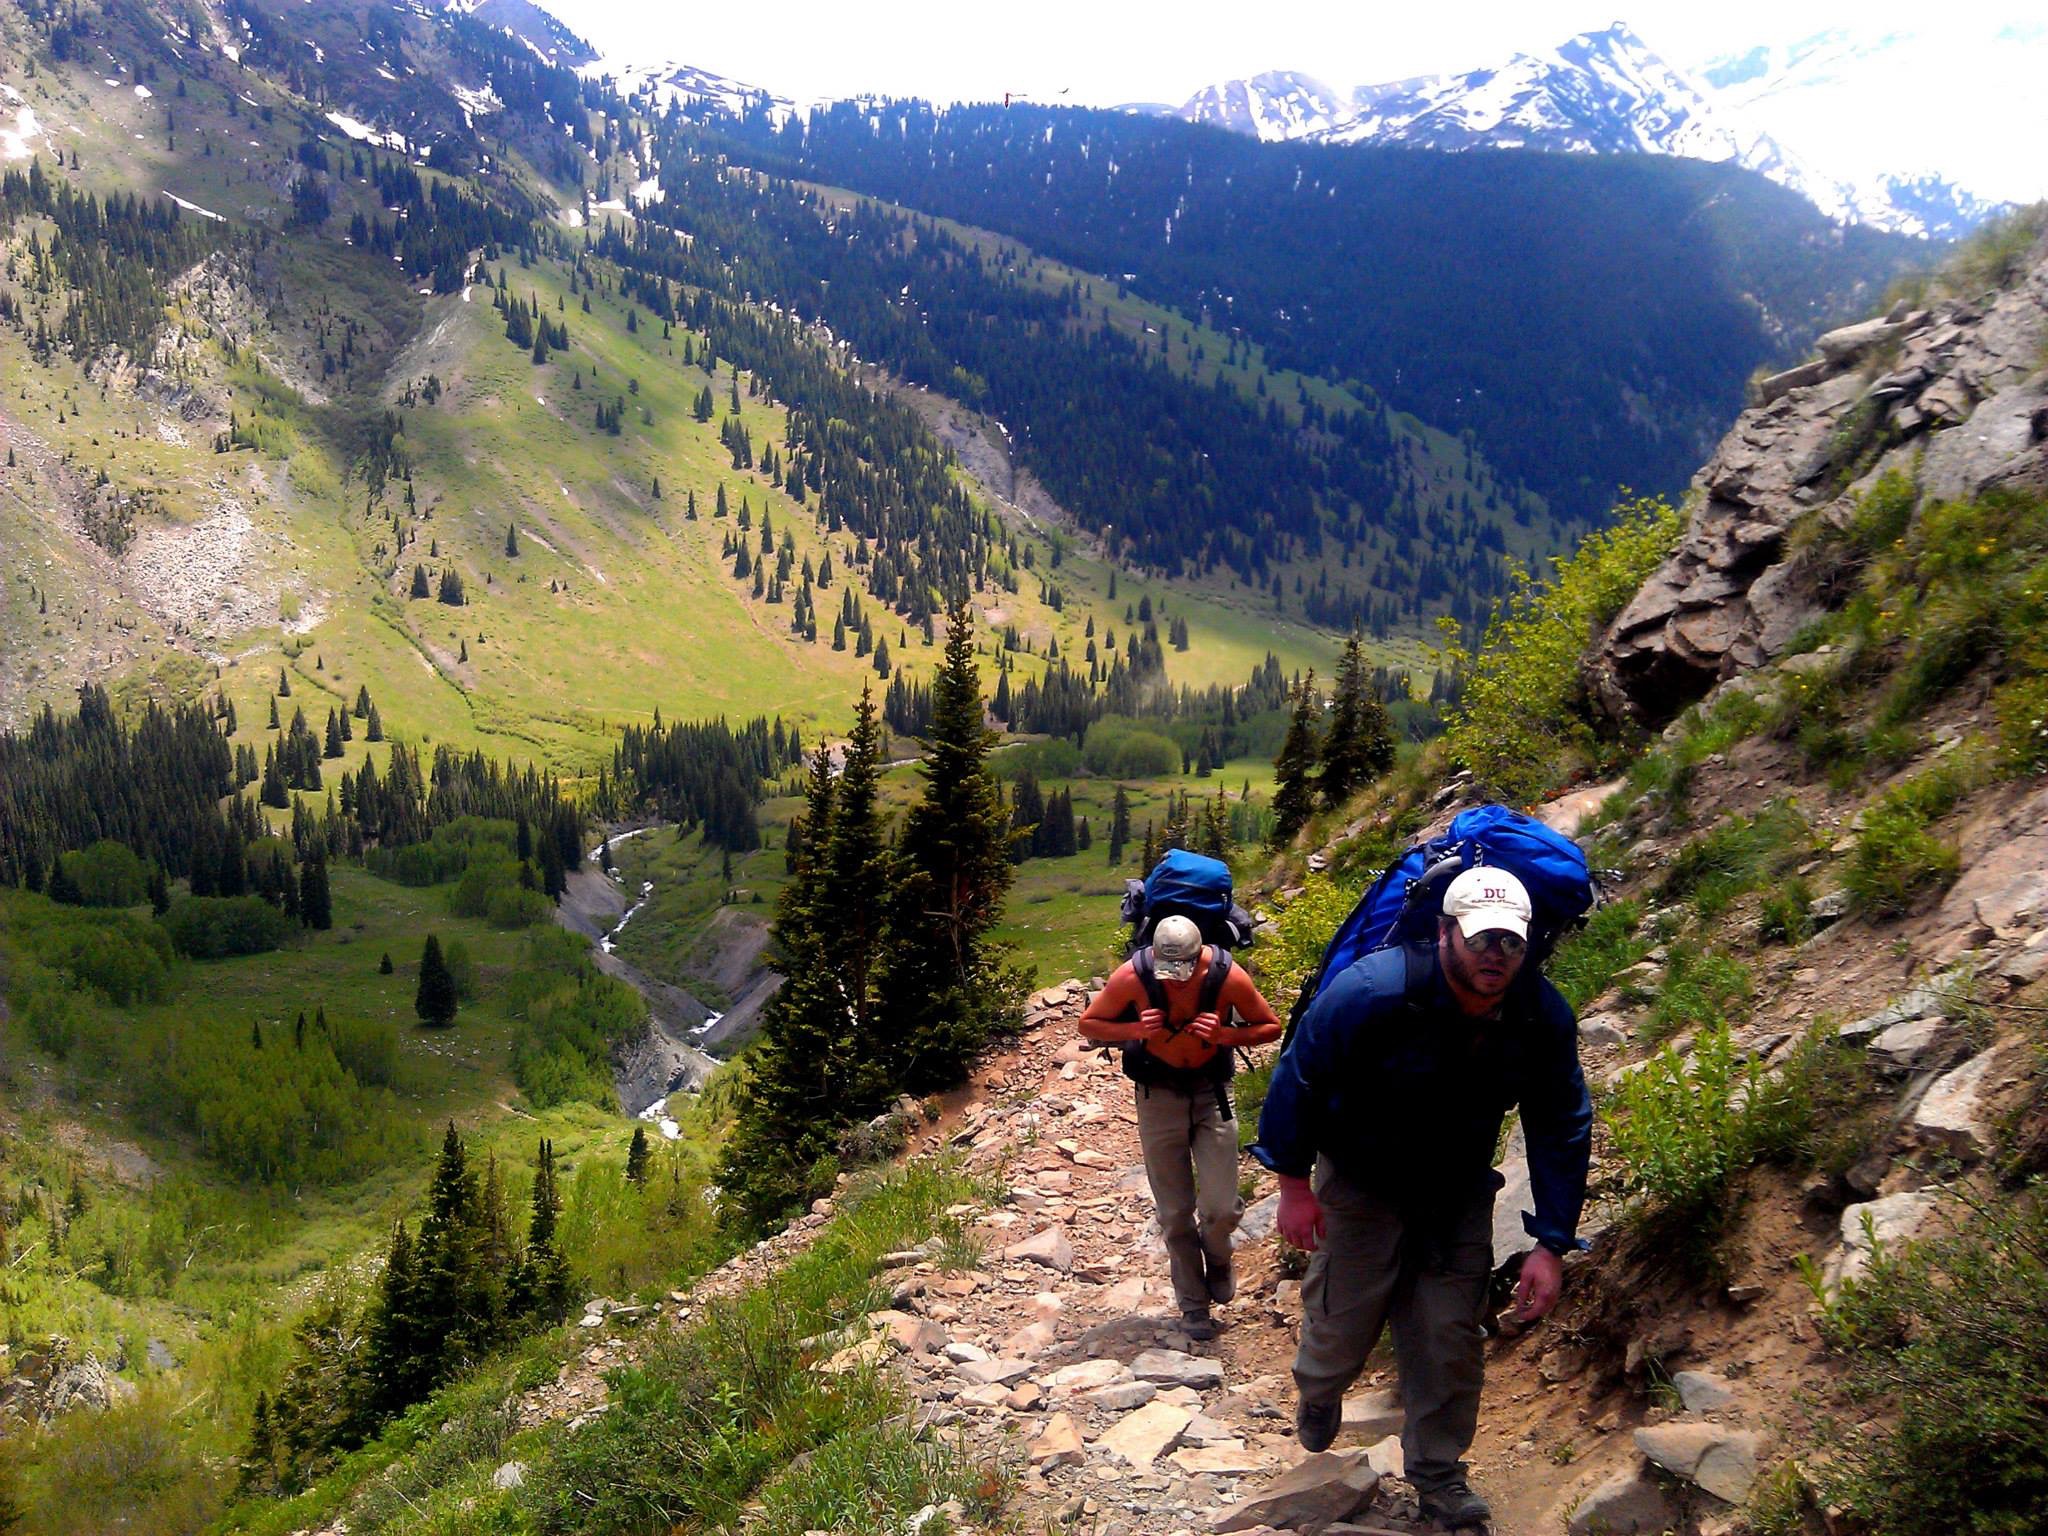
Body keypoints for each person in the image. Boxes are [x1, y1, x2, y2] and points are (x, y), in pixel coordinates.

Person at [1251, 866, 1591, 1531]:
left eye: (1512, 944)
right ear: (1445, 932)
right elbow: (1299, 1080)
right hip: (1359, 1179)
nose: (1498, 957)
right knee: (1343, 1322)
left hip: (1455, 1191)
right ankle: (1320, 1390)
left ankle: (1438, 1478)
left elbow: (1560, 1124)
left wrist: (1551, 1242)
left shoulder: (1536, 1016)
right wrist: (1292, 1185)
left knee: (1446, 1335)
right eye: (1483, 940)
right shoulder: (1369, 994)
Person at [1079, 914, 1283, 1339]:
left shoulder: (1227, 975)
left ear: (1198, 956)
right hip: (1158, 1096)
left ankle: (1220, 1257)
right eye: (1165, 970)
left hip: (1212, 1094)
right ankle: (1194, 1306)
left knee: (1221, 1207)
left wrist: (1226, 1034)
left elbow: (1269, 1026)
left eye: (1182, 969)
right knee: (1174, 1213)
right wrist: (1137, 1030)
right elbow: (1090, 1024)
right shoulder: (1133, 976)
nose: (1173, 978)